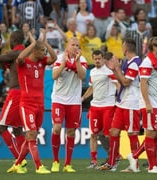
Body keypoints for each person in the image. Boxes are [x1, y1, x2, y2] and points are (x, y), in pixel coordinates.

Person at [7, 30, 57, 174]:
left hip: (40, 105)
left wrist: (45, 41)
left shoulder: (42, 62)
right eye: (42, 51)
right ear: (34, 51)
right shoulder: (24, 63)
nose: (44, 53)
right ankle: (38, 166)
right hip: (27, 105)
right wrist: (33, 43)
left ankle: (17, 164)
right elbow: (20, 57)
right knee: (31, 135)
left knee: (31, 137)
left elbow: (53, 57)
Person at [99, 39, 142, 172]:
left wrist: (116, 68)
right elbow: (121, 80)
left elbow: (126, 82)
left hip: (131, 103)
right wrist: (115, 69)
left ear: (126, 49)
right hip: (122, 102)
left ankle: (135, 165)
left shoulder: (135, 63)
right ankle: (112, 162)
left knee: (132, 134)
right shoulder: (128, 63)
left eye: (122, 46)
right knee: (114, 131)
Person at [128, 37, 157, 173]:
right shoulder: (147, 62)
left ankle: (135, 156)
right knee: (150, 133)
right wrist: (148, 103)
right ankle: (152, 166)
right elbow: (143, 84)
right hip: (149, 103)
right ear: (154, 48)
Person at [0, 30, 26, 171]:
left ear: (14, 39)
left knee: (1, 128)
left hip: (15, 93)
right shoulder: (24, 53)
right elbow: (2, 63)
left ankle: (19, 160)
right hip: (25, 93)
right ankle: (25, 160)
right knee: (17, 129)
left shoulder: (15, 53)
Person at [50, 36, 87, 173]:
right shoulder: (60, 58)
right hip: (59, 99)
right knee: (57, 128)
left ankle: (67, 164)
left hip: (74, 101)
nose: (75, 48)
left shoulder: (82, 60)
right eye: (73, 45)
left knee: (71, 131)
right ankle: (55, 161)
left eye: (78, 46)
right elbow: (54, 76)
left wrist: (76, 61)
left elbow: (82, 76)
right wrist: (65, 63)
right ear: (67, 46)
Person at [81, 50, 117, 170]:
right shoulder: (92, 72)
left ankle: (113, 158)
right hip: (95, 106)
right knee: (93, 134)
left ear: (103, 59)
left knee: (108, 134)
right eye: (95, 59)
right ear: (93, 59)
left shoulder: (109, 72)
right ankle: (93, 161)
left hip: (108, 106)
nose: (97, 61)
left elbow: (118, 85)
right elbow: (92, 87)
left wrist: (120, 98)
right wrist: (84, 97)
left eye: (99, 59)